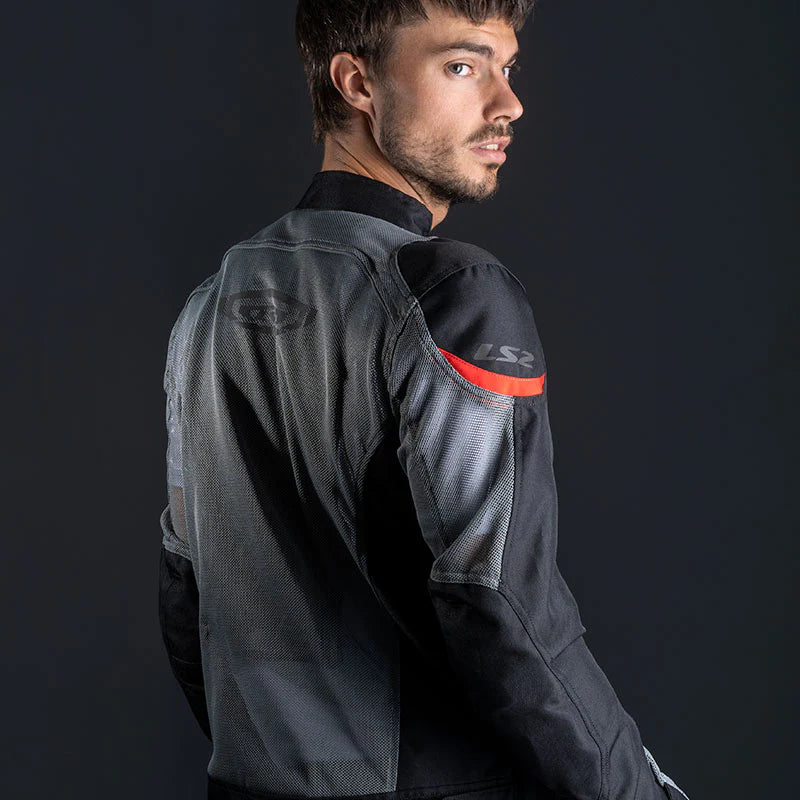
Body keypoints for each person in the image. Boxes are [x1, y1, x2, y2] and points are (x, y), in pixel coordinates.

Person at [158, 2, 691, 799]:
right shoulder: (453, 292)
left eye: (508, 68)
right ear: (357, 83)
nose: (509, 103)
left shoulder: (207, 304)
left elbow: (187, 587)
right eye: (462, 66)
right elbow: (502, 603)